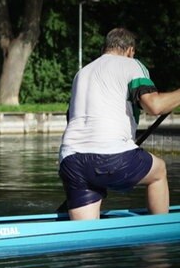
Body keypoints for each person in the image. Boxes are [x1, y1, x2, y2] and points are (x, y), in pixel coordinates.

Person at [58, 27, 180, 220]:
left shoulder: (82, 72)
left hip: (70, 161)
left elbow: (70, 117)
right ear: (130, 50)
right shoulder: (131, 64)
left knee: (86, 238)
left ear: (104, 48)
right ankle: (159, 237)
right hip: (111, 158)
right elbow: (154, 106)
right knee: (159, 171)